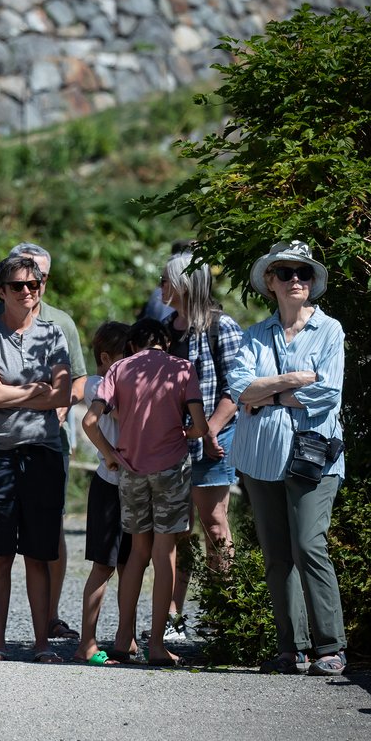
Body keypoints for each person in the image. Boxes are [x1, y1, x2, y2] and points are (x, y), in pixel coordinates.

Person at [0, 242, 85, 643]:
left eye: (34, 284)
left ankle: (42, 641)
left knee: (40, 552)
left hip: (42, 449)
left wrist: (13, 391)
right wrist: (36, 390)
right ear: (1, 291)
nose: (28, 291)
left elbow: (65, 392)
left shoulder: (56, 331)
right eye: (18, 286)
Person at [229, 241, 347, 677]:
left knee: (309, 545)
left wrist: (268, 393)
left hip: (313, 457)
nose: (295, 279)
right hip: (261, 456)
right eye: (286, 273)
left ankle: (331, 645)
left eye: (304, 273)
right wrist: (292, 382)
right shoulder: (254, 334)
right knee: (277, 553)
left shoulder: (330, 331)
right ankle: (291, 648)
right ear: (270, 283)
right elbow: (240, 388)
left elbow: (328, 393)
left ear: (313, 282)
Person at [84, 319, 207, 667]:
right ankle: (156, 645)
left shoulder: (120, 369)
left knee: (137, 551)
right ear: (165, 342)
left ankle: (124, 640)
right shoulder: (182, 368)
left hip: (131, 471)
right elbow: (200, 425)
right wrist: (184, 433)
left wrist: (110, 455)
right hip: (170, 469)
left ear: (133, 345)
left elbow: (90, 422)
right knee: (164, 552)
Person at [160, 251, 243, 642]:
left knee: (214, 525)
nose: (161, 287)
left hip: (212, 443)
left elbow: (237, 386)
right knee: (177, 530)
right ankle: (173, 619)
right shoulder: (164, 329)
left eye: (166, 279)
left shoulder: (220, 326)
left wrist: (209, 430)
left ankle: (222, 613)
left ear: (183, 283)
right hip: (170, 445)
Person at [74, 321, 133, 665]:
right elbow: (98, 420)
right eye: (130, 356)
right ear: (108, 357)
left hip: (134, 485)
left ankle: (127, 638)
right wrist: (110, 454)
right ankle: (88, 643)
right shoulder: (98, 384)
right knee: (103, 565)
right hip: (109, 486)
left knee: (131, 564)